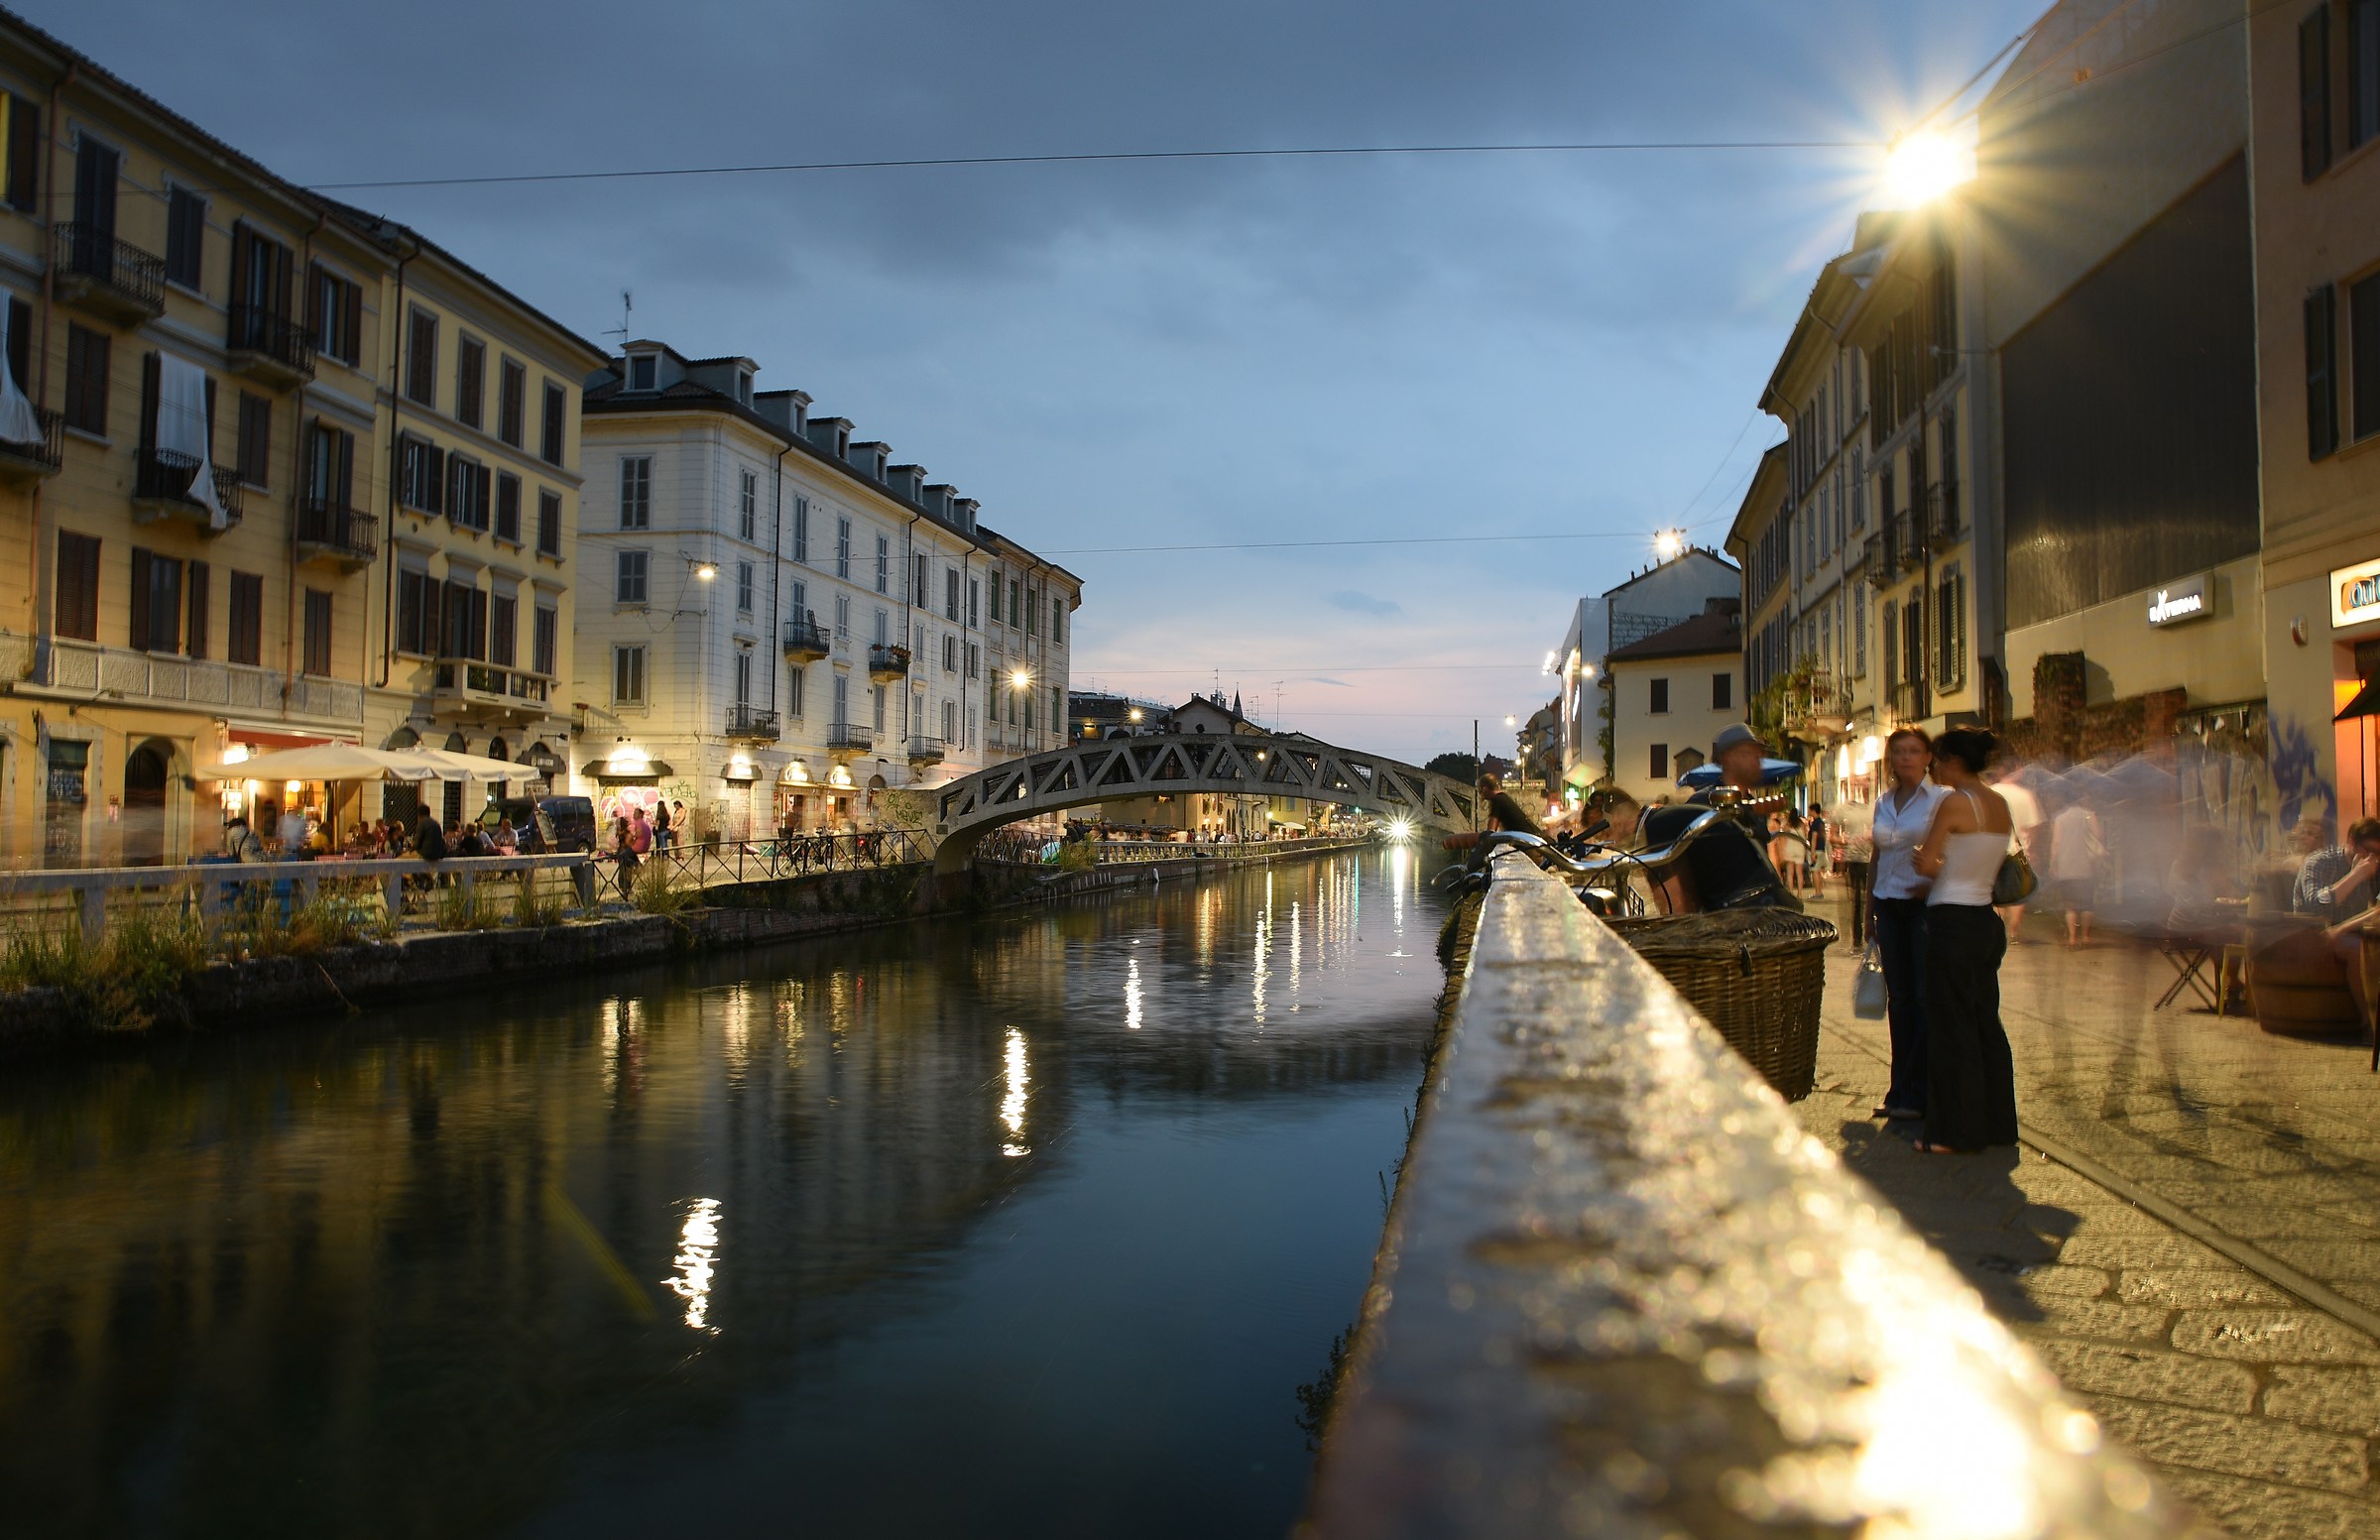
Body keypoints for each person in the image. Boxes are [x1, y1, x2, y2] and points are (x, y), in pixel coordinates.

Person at [1910, 727, 2019, 1154]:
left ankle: (1956, 1132)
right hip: (1985, 921)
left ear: (1953, 760)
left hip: (1952, 919)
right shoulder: (1999, 803)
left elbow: (1928, 863)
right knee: (1985, 1023)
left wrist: (1923, 861)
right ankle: (1997, 1124)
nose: (1933, 767)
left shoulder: (1955, 802)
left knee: (1951, 1028)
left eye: (1937, 758)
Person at [1868, 727, 1948, 1123]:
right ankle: (1898, 1088)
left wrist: (1935, 880)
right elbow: (1876, 858)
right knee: (1898, 1001)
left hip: (1922, 905)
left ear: (1928, 757)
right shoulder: (1883, 801)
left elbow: (1955, 849)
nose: (1905, 757)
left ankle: (1920, 1092)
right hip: (1888, 904)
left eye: (1914, 750)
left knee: (1922, 998)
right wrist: (1868, 913)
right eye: (1899, 751)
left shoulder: (1941, 799)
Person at [1987, 762, 2044, 942]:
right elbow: (2034, 827)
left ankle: (1998, 928)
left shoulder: (1990, 792)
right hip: (2019, 850)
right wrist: (2032, 849)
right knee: (2018, 892)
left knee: (1996, 891)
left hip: (1993, 850)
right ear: (2017, 771)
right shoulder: (2026, 795)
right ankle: (2013, 932)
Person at [2049, 795, 2102, 947]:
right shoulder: (2090, 815)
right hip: (2087, 865)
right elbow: (2098, 836)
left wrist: (2053, 863)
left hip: (2066, 866)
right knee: (2087, 904)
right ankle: (2085, 937)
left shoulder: (2060, 819)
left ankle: (2072, 939)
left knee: (2070, 905)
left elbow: (2056, 842)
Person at [1838, 800, 1874, 946]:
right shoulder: (1846, 815)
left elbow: (1874, 832)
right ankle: (1857, 938)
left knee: (1867, 899)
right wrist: (1845, 841)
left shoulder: (1869, 814)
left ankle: (1865, 934)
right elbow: (1833, 836)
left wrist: (1868, 837)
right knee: (1857, 900)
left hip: (1867, 860)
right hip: (1853, 860)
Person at [1478, 771, 1543, 838]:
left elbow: (1490, 832)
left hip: (1527, 840)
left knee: (1475, 838)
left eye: (1480, 789)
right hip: (1531, 837)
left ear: (1484, 789)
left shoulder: (1497, 800)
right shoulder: (1502, 797)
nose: (1480, 793)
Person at [1806, 804, 1829, 898]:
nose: (1809, 812)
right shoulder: (1821, 823)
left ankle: (1818, 893)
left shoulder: (1815, 823)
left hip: (1816, 850)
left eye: (1810, 810)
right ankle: (1819, 892)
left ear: (1813, 811)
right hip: (1821, 849)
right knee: (1818, 871)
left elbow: (1814, 837)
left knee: (1815, 871)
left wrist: (1812, 852)